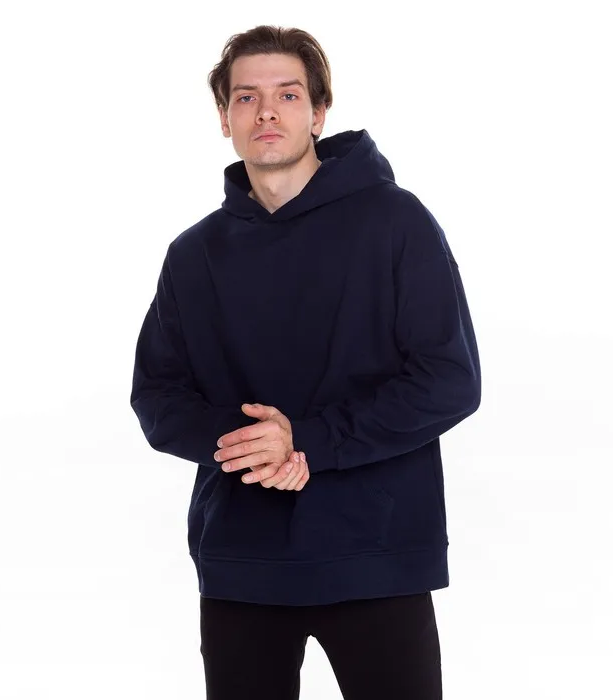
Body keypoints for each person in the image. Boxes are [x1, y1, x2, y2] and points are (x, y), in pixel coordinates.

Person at [130, 24, 481, 700]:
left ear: (319, 113)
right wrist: (253, 444)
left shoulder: (396, 222)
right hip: (242, 561)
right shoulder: (193, 254)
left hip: (376, 553)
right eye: (246, 97)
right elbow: (157, 397)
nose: (267, 112)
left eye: (288, 95)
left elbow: (450, 379)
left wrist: (308, 442)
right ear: (225, 118)